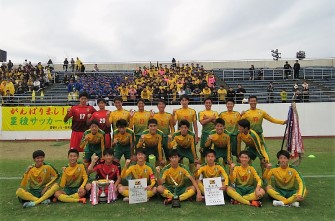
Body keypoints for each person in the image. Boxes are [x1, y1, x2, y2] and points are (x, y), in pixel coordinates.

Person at [198, 97, 219, 163]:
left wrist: (207, 118)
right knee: (203, 150)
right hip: (205, 134)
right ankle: (203, 165)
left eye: (209, 103)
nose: (208, 104)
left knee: (214, 150)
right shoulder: (201, 112)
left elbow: (217, 123)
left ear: (211, 104)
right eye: (206, 103)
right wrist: (211, 118)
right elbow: (202, 123)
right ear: (204, 104)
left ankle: (214, 165)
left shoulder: (215, 112)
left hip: (214, 134)